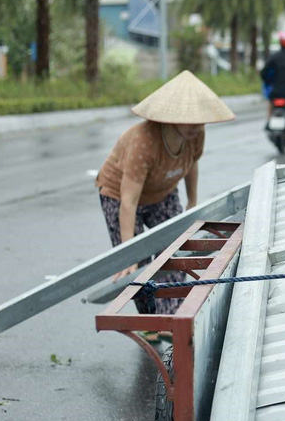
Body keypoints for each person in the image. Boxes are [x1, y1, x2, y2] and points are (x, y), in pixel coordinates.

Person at [95, 70, 235, 316]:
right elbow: (128, 201)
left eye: (200, 120)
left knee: (175, 251)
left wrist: (192, 201)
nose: (197, 127)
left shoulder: (195, 136)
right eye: (190, 121)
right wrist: (129, 254)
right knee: (137, 264)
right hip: (120, 195)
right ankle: (150, 318)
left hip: (163, 191)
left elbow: (191, 163)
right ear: (172, 118)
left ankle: (170, 317)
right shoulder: (143, 142)